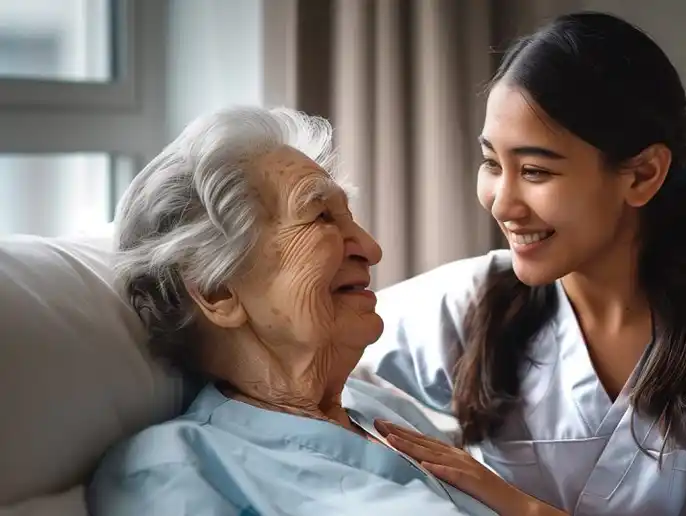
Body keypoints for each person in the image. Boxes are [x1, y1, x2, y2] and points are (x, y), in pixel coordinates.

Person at [359, 11, 686, 516]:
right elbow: (305, 346)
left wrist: (522, 509)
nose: (501, 202)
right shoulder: (477, 299)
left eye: (535, 171)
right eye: (493, 163)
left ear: (643, 174)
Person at [85, 106, 507, 516]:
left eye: (349, 216)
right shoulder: (174, 470)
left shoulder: (384, 414)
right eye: (321, 216)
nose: (371, 249)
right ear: (217, 293)